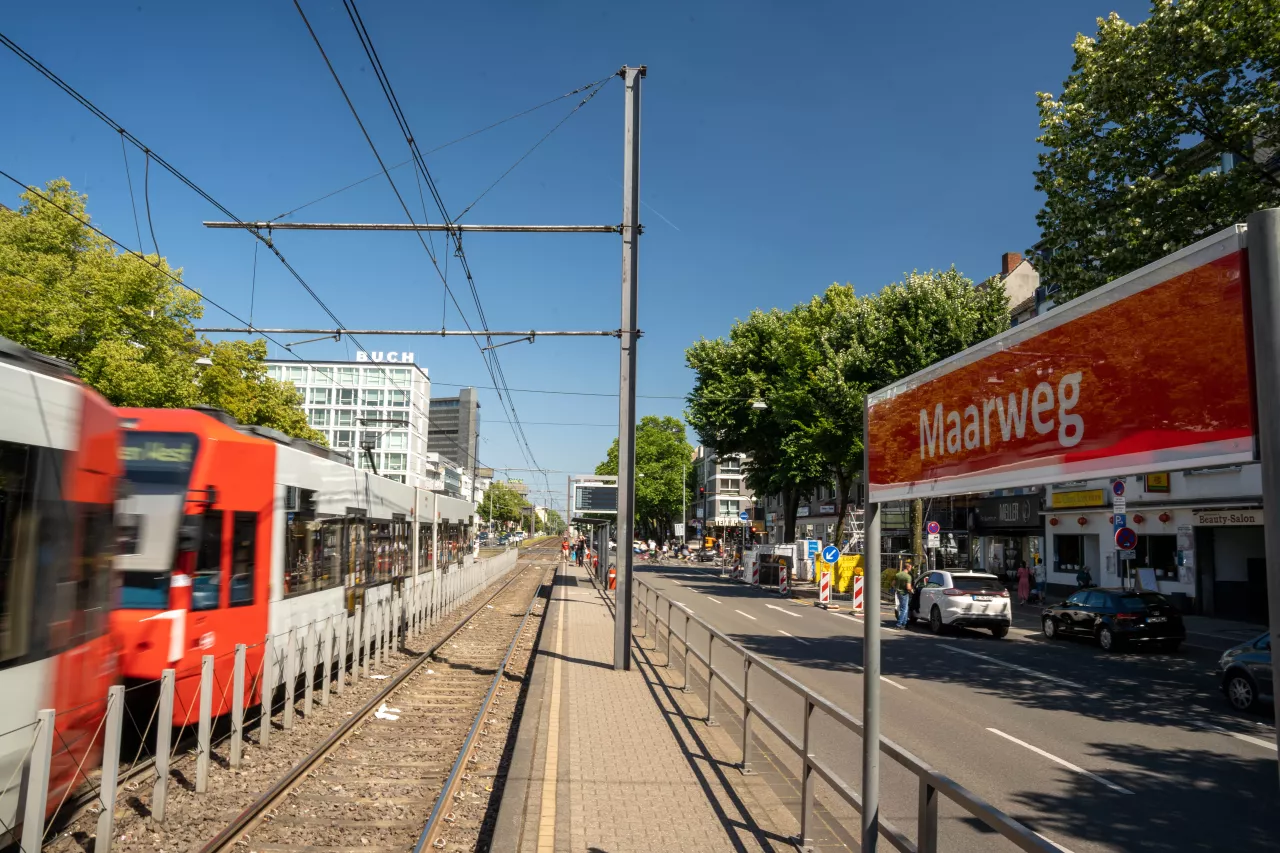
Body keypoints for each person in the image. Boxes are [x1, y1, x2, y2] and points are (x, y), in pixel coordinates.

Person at [893, 561, 914, 629]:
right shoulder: (908, 577)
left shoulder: (898, 574)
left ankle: (905, 623)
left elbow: (893, 583)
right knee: (904, 609)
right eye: (910, 567)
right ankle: (899, 624)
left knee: (905, 608)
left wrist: (896, 588)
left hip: (898, 593)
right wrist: (912, 590)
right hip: (904, 593)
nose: (911, 568)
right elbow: (908, 587)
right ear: (908, 567)